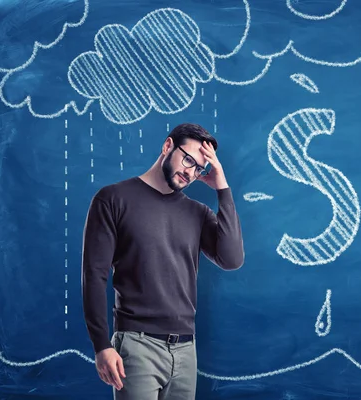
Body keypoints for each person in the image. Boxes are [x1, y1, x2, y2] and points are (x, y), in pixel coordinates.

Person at [81, 123, 245, 399]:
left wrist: (222, 188)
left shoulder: (197, 213)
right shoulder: (113, 199)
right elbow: (94, 275)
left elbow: (231, 259)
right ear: (168, 146)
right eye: (188, 159)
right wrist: (101, 345)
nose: (190, 172)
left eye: (199, 169)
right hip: (137, 346)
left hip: (185, 351)